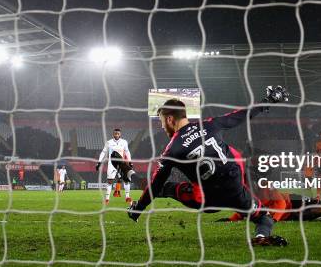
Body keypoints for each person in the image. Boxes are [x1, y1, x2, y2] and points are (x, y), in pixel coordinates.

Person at [124, 86, 291, 246]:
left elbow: (155, 185)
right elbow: (241, 115)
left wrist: (139, 208)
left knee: (166, 188)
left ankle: (129, 175)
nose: (162, 126)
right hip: (234, 191)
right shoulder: (210, 124)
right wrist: (267, 101)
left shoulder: (171, 150)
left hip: (207, 200)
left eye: (161, 121)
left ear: (169, 119)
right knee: (264, 217)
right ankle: (261, 237)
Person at [96, 128, 133, 205]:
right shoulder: (109, 142)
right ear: (113, 134)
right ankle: (107, 199)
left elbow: (127, 152)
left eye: (118, 133)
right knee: (110, 181)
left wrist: (130, 162)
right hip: (111, 164)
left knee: (126, 180)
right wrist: (99, 162)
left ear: (120, 134)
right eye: (115, 133)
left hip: (122, 164)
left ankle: (127, 197)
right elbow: (103, 152)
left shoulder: (124, 142)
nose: (116, 135)